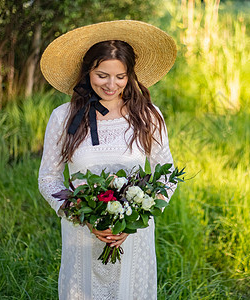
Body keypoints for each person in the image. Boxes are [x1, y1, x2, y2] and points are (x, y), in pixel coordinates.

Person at [38, 20, 177, 300]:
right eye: (102, 75)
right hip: (81, 233)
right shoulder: (63, 117)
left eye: (121, 76)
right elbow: (48, 178)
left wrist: (136, 217)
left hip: (134, 236)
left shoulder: (148, 115)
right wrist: (83, 216)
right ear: (87, 72)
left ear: (131, 76)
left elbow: (167, 174)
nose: (111, 85)